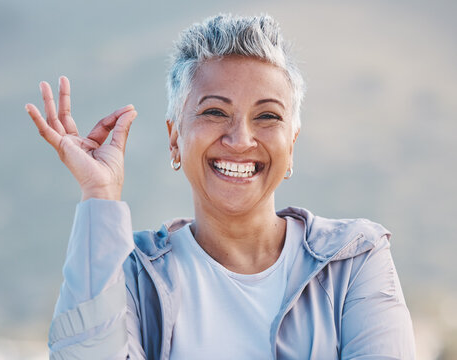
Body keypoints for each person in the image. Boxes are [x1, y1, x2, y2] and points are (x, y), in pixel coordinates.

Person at [25, 14, 415, 360]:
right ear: (175, 137)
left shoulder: (354, 259)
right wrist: (99, 196)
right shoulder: (130, 274)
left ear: (291, 144)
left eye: (267, 115)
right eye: (214, 111)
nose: (240, 138)